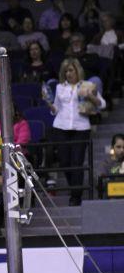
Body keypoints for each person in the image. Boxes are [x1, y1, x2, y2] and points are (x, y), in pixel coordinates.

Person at [51, 58, 105, 205]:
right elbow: (56, 108)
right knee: (64, 162)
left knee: (77, 163)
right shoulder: (59, 87)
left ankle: (76, 197)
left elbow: (102, 104)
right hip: (61, 127)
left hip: (81, 128)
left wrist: (90, 96)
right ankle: (75, 187)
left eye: (71, 70)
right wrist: (50, 105)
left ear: (77, 71)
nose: (68, 73)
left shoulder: (87, 85)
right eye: (66, 71)